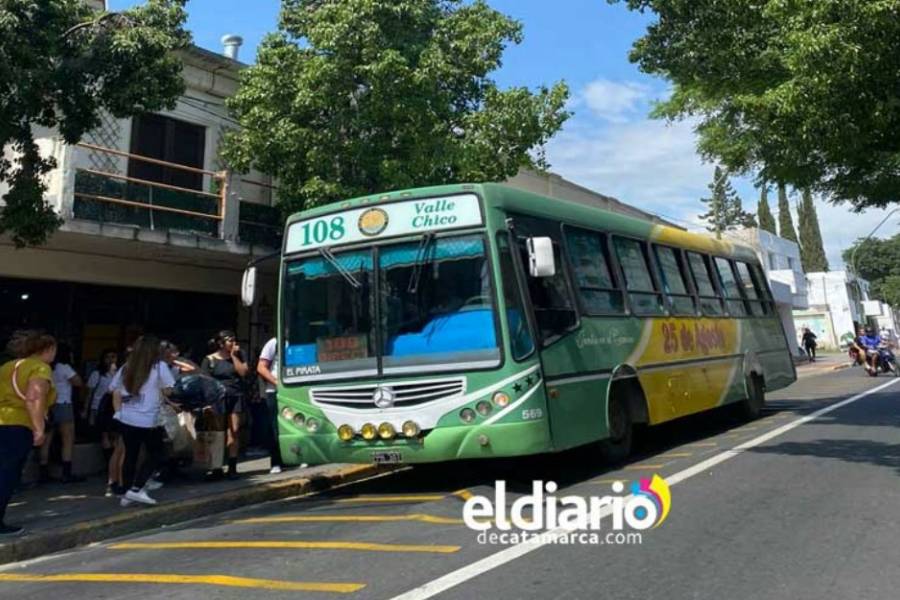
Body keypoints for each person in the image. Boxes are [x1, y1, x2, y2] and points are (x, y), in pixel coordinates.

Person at [0, 331, 57, 535]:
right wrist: (39, 428)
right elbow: (34, 396)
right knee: (8, 473)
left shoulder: (8, 366)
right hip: (18, 423)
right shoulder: (40, 367)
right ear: (47, 349)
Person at [111, 335, 175, 506]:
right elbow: (169, 390)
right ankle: (136, 488)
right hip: (148, 419)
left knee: (130, 454)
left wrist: (118, 412)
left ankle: (126, 491)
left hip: (126, 418)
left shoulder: (127, 367)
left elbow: (114, 389)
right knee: (156, 453)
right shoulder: (159, 367)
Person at [201, 331, 248, 480]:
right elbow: (205, 382)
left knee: (234, 430)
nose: (233, 343)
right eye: (229, 341)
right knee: (218, 432)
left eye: (234, 340)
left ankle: (232, 466)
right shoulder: (209, 360)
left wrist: (234, 356)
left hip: (235, 396)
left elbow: (243, 372)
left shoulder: (239, 355)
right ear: (221, 343)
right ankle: (216, 467)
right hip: (218, 398)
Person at [39, 343, 84, 483]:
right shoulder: (65, 367)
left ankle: (43, 473)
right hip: (63, 404)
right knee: (67, 439)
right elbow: (78, 382)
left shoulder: (45, 367)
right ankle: (66, 473)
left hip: (47, 405)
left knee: (46, 440)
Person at [257, 337, 284, 474]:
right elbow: (261, 367)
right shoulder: (274, 342)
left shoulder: (300, 339)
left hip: (294, 389)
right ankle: (276, 461)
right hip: (274, 391)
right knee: (275, 428)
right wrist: (277, 382)